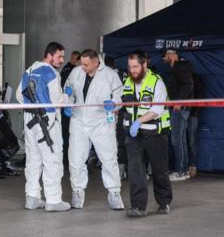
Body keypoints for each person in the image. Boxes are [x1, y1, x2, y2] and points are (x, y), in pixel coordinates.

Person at [64, 49, 124, 210]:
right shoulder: (76, 72)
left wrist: (114, 103)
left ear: (96, 62)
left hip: (102, 122)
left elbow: (120, 95)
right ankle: (77, 191)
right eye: (81, 63)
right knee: (76, 159)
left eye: (86, 64)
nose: (82, 66)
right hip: (78, 120)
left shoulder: (110, 75)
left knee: (109, 158)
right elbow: (67, 91)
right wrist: (68, 102)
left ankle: (114, 192)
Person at [16, 41, 72, 212]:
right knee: (52, 159)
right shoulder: (51, 73)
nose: (62, 60)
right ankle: (53, 200)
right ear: (49, 55)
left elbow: (19, 95)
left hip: (30, 120)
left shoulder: (29, 70)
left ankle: (32, 197)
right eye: (59, 56)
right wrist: (67, 96)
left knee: (33, 160)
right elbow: (56, 101)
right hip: (47, 121)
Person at [122, 51, 173, 217]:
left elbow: (157, 110)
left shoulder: (157, 82)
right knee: (135, 170)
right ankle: (138, 207)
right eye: (130, 67)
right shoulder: (128, 81)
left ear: (144, 65)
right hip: (134, 135)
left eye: (136, 66)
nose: (133, 70)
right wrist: (112, 106)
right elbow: (122, 102)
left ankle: (164, 202)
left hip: (155, 133)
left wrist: (139, 121)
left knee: (159, 170)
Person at [162, 49, 194, 181]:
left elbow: (189, 85)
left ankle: (180, 170)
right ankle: (184, 170)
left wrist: (179, 102)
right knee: (180, 139)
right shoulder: (173, 69)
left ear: (174, 56)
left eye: (168, 55)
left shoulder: (181, 67)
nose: (165, 58)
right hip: (177, 106)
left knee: (176, 139)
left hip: (180, 108)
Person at [60, 50, 81, 167]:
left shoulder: (67, 69)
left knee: (67, 135)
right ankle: (66, 161)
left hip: (68, 107)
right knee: (67, 135)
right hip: (68, 107)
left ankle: (67, 160)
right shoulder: (71, 71)